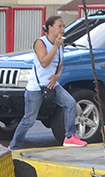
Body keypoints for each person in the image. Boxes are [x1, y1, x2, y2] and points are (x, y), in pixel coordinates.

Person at [10, 15, 87, 150]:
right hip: (36, 87)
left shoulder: (60, 44)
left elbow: (61, 64)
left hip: (52, 84)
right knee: (29, 119)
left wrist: (57, 76)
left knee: (70, 103)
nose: (63, 29)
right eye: (60, 26)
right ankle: (14, 146)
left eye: (63, 26)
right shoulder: (41, 42)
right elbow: (44, 62)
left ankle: (70, 136)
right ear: (50, 27)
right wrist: (55, 46)